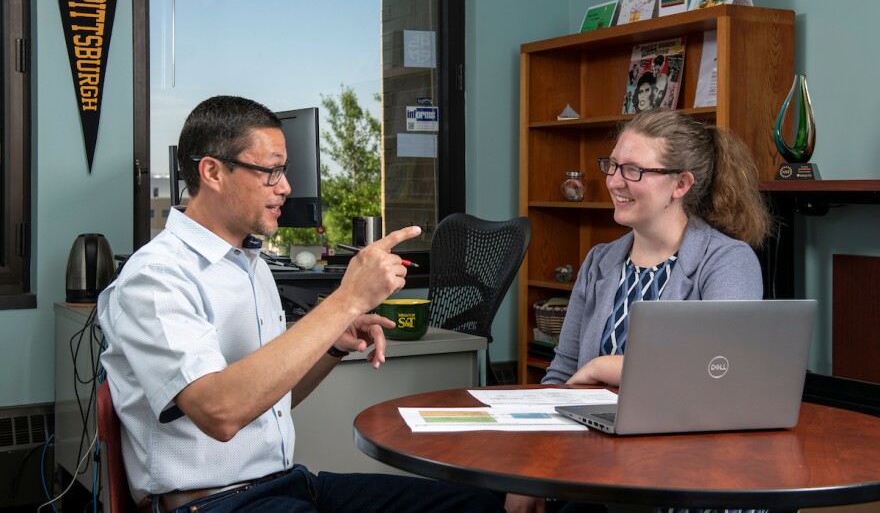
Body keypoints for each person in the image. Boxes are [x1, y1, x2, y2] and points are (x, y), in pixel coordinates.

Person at [98, 96, 504, 513]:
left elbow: (271, 397)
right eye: (270, 170)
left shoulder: (249, 264)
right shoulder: (156, 277)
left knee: (476, 505)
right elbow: (220, 412)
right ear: (213, 171)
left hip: (287, 483)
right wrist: (345, 301)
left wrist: (332, 343)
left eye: (284, 170)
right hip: (212, 504)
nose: (285, 187)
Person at [505, 109, 771, 513]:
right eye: (612, 165)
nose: (613, 181)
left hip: (686, 475)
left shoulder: (728, 262)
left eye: (633, 170)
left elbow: (716, 375)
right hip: (593, 467)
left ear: (680, 184)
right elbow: (560, 377)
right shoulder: (600, 261)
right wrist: (532, 469)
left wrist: (600, 368)